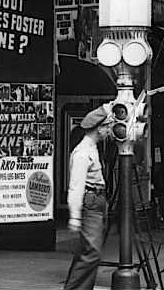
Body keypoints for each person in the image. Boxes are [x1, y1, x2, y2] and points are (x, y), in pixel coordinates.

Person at [63, 105, 112, 290]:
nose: (109, 130)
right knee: (92, 252)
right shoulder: (82, 152)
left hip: (97, 201)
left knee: (87, 251)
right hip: (90, 201)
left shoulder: (92, 148)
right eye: (107, 126)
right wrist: (74, 216)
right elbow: (75, 187)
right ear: (99, 128)